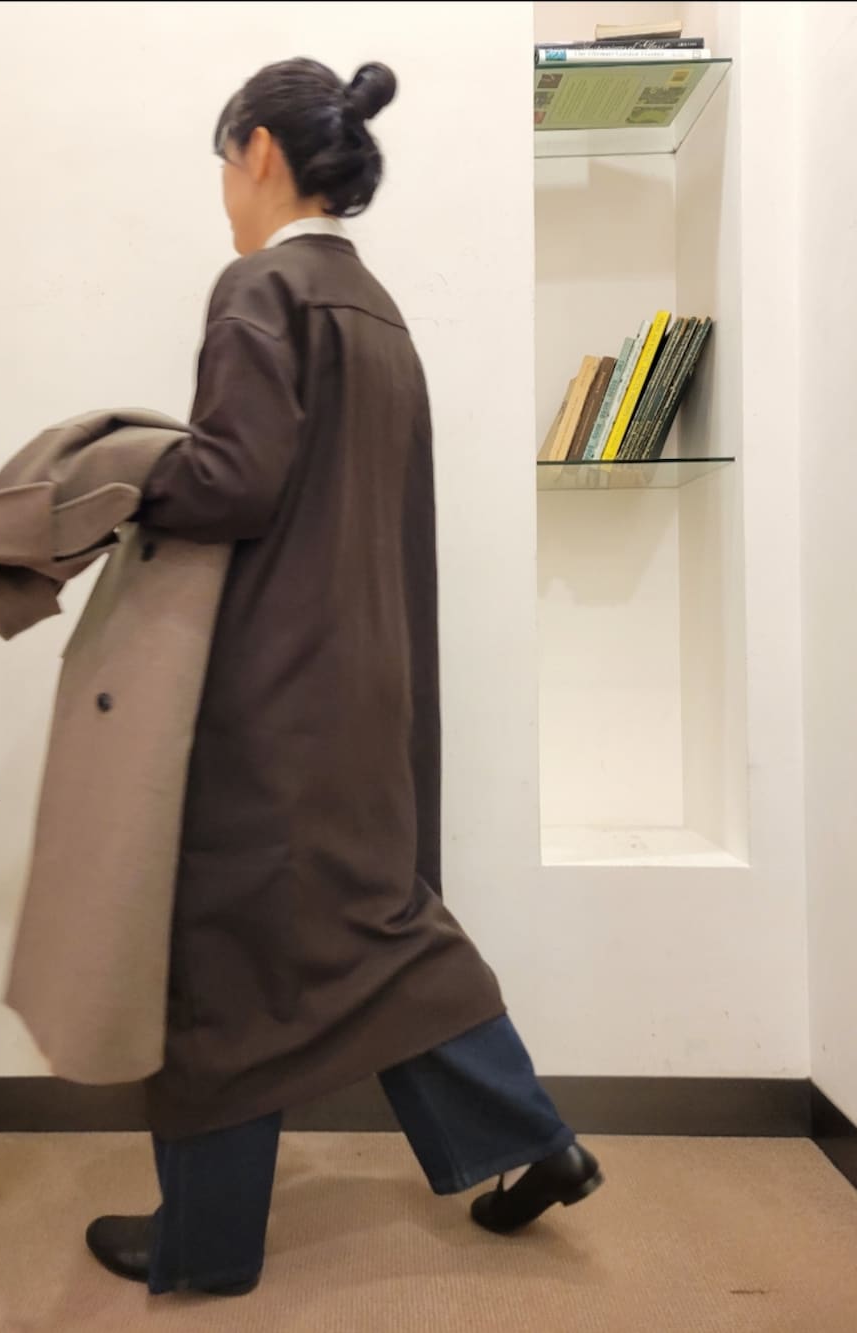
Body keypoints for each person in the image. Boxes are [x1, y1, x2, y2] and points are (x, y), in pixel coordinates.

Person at [85, 57, 603, 1297]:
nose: (223, 189)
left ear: (259, 151)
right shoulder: (376, 309)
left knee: (220, 952)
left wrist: (117, 468)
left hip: (270, 690)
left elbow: (234, 482)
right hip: (369, 687)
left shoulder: (258, 289)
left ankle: (206, 1247)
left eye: (224, 161)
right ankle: (537, 1139)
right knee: (376, 927)